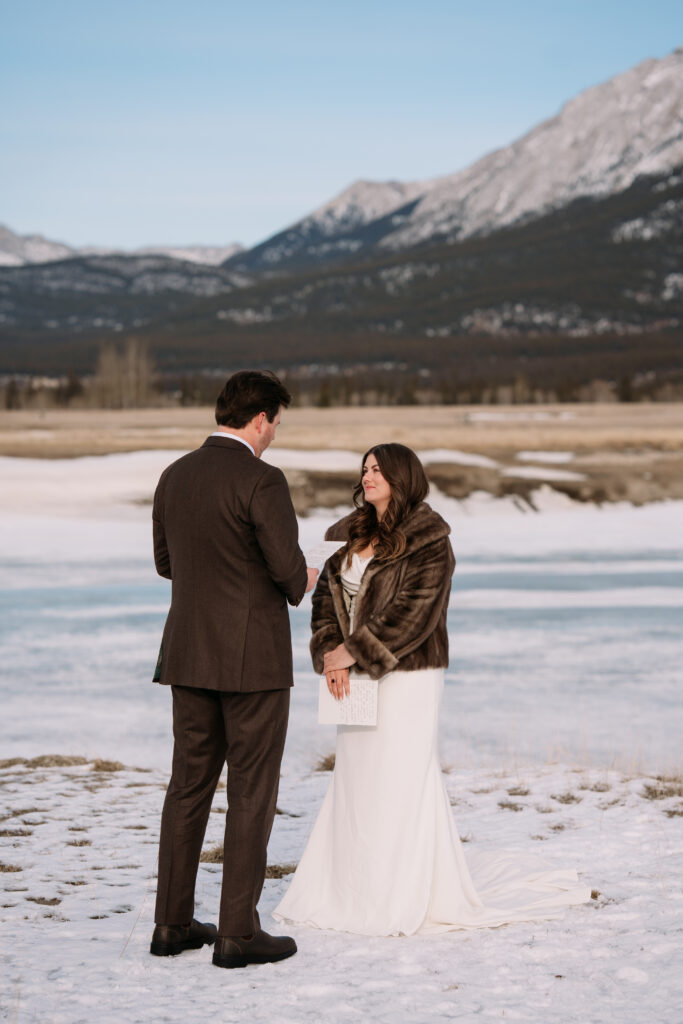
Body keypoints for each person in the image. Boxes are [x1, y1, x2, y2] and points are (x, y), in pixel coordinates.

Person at [274, 443, 590, 935]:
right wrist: (330, 655)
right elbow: (323, 602)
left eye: (378, 468)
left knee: (401, 777)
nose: (368, 475)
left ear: (402, 476)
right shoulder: (349, 535)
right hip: (353, 675)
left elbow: (416, 614)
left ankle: (402, 893)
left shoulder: (429, 539)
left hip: (410, 675)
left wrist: (354, 651)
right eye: (365, 468)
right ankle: (350, 890)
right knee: (357, 780)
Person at [149, 370, 318, 969]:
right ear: (260, 419)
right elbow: (289, 574)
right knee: (251, 790)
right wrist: (309, 578)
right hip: (254, 662)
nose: (273, 433)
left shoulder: (174, 475)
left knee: (187, 786)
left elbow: (167, 563)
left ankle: (170, 924)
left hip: (189, 654)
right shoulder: (262, 480)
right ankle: (237, 932)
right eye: (275, 422)